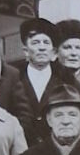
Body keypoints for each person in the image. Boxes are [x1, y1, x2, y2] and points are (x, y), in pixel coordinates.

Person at [14, 16, 71, 144]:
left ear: (54, 52)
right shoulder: (14, 78)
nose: (41, 47)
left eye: (46, 42)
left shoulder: (65, 80)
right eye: (35, 43)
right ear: (26, 51)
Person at [54, 19, 80, 86]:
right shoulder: (47, 79)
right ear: (56, 52)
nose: (74, 53)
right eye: (67, 47)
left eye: (78, 48)